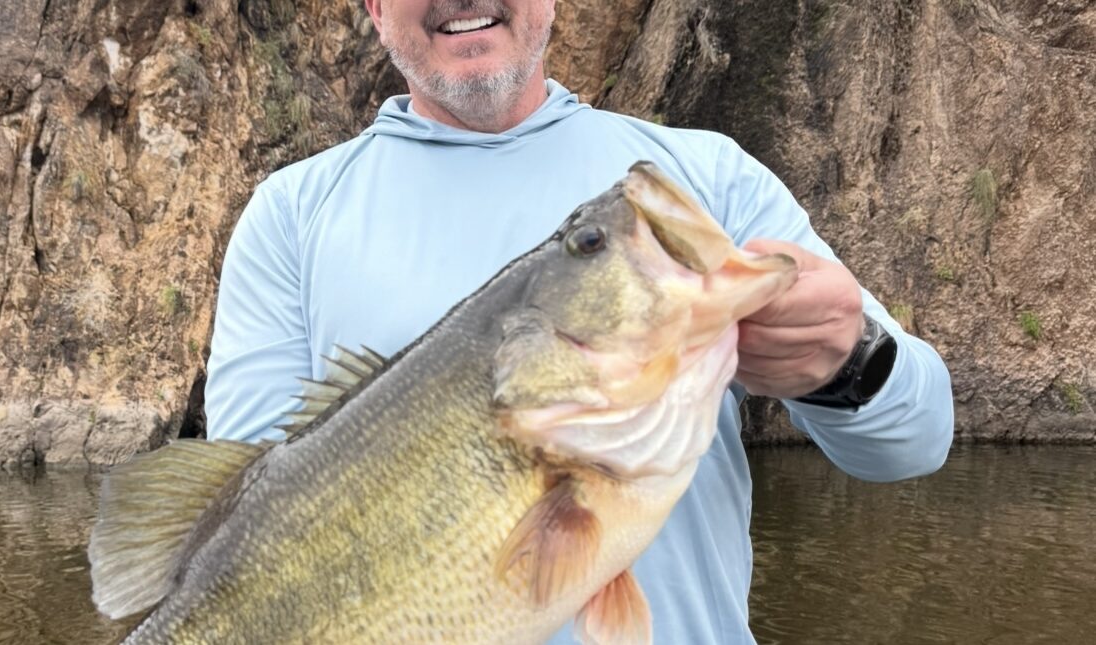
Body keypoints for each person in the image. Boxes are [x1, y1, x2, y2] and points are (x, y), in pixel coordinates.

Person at [204, 0, 955, 642]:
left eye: (588, 246)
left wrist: (847, 360)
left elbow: (917, 439)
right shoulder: (290, 217)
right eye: (593, 243)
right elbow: (232, 528)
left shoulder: (705, 178)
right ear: (370, 5)